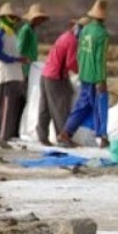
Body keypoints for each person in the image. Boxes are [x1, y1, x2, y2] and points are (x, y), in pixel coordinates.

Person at [58, 0, 110, 148]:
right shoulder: (102, 34)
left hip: (85, 74)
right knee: (100, 105)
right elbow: (100, 59)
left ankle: (66, 132)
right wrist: (101, 79)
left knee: (83, 105)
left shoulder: (85, 30)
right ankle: (103, 136)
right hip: (96, 76)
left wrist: (83, 70)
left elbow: (80, 54)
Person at [36, 18, 87, 146]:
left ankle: (42, 136)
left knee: (46, 107)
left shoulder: (64, 36)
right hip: (55, 77)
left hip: (46, 73)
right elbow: (71, 63)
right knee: (61, 107)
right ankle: (63, 138)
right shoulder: (72, 41)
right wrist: (82, 72)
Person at [0, 2, 29, 140]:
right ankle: (2, 136)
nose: (13, 20)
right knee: (5, 107)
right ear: (5, 17)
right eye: (11, 17)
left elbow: (13, 51)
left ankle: (9, 134)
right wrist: (15, 60)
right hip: (6, 74)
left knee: (13, 106)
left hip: (14, 74)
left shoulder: (11, 33)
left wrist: (20, 59)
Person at [17, 3, 50, 79]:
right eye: (40, 18)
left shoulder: (33, 31)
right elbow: (20, 48)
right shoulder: (26, 30)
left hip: (32, 66)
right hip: (25, 67)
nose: (41, 21)